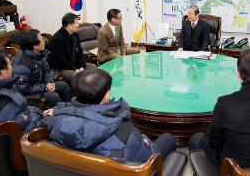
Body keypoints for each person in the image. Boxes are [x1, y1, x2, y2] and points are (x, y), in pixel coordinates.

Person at [42, 69, 176, 163]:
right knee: (168, 138)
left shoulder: (57, 120)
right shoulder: (123, 130)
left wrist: (54, 111)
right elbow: (149, 158)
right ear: (106, 95)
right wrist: (144, 138)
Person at [189, 49, 250, 168]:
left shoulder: (225, 103)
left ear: (238, 74)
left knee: (196, 138)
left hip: (234, 169)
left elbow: (213, 141)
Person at [0, 48, 50, 132]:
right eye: (10, 64)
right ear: (2, 72)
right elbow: (32, 129)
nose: (12, 67)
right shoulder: (6, 104)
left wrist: (39, 112)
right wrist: (47, 117)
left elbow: (19, 113)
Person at [12, 29, 73, 107]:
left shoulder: (39, 53)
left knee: (64, 85)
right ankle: (61, 114)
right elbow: (23, 89)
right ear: (35, 46)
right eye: (41, 40)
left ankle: (73, 108)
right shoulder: (22, 65)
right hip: (30, 92)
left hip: (41, 84)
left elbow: (47, 70)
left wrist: (49, 82)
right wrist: (45, 88)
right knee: (54, 96)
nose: (44, 41)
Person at [48, 13, 97, 83]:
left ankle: (96, 89)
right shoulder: (57, 39)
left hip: (76, 65)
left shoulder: (75, 34)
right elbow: (60, 61)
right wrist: (74, 69)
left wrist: (81, 67)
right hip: (64, 68)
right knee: (78, 76)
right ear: (69, 25)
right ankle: (83, 93)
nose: (78, 25)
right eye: (77, 23)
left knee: (93, 67)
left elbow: (80, 52)